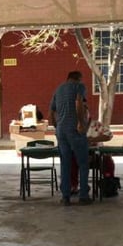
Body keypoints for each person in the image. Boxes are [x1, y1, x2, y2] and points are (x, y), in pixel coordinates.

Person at [49, 70, 91, 206]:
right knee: (83, 163)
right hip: (75, 129)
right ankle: (83, 195)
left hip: (61, 131)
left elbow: (51, 112)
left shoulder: (58, 90)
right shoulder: (79, 87)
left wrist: (57, 127)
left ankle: (65, 197)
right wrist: (81, 122)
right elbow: (79, 102)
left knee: (65, 164)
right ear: (78, 79)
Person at [70, 101, 115, 195]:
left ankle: (108, 184)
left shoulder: (96, 124)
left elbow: (109, 135)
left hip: (97, 156)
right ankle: (73, 186)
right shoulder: (72, 126)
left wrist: (93, 139)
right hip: (79, 156)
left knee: (107, 160)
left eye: (85, 112)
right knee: (70, 160)